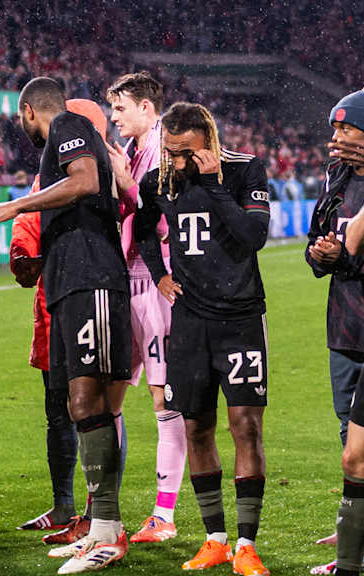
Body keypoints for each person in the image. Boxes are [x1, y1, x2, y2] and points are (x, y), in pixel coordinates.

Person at [0, 77, 131, 573]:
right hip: (70, 283)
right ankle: (97, 527)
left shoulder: (69, 123)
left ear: (29, 111)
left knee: (91, 401)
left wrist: (16, 205)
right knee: (77, 402)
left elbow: (86, 179)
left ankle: (108, 529)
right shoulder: (61, 145)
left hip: (92, 278)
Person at [133, 102, 271, 576]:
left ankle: (247, 545)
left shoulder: (244, 169)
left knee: (246, 428)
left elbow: (254, 234)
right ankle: (215, 539)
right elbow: (145, 229)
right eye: (170, 152)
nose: (177, 162)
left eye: (186, 153)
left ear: (207, 144)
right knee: (196, 428)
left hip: (240, 319)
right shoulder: (158, 180)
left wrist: (212, 187)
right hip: (189, 322)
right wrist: (159, 274)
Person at [15, 99, 110, 543]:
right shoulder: (45, 176)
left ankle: (100, 516)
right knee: (61, 412)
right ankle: (66, 508)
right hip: (52, 302)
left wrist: (12, 209)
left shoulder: (92, 164)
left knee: (97, 408)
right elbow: (28, 235)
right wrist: (21, 255)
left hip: (91, 291)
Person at [103, 71, 187, 544]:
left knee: (163, 396)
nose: (114, 117)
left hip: (155, 284)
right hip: (125, 280)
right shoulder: (134, 151)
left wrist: (124, 183)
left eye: (120, 108)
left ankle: (164, 514)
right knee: (108, 394)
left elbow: (159, 222)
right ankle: (104, 510)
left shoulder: (163, 152)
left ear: (146, 109)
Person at [307, 90, 364, 575]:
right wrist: (321, 256)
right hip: (348, 325)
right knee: (352, 440)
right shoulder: (336, 182)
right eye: (334, 130)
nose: (336, 139)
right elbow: (321, 246)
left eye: (344, 129)